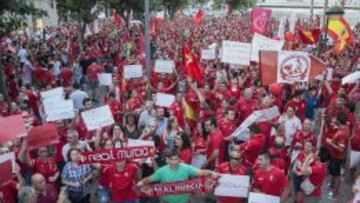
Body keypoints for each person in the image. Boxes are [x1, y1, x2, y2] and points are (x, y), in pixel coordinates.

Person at [136, 150, 218, 203]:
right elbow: (150, 179)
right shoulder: (161, 171)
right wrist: (141, 182)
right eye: (172, 159)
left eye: (176, 159)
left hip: (185, 201)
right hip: (167, 201)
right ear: (167, 160)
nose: (175, 161)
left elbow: (200, 172)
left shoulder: (185, 167)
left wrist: (210, 172)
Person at [326, 113, 350, 198]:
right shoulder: (345, 127)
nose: (335, 120)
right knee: (334, 172)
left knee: (337, 175)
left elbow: (341, 149)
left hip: (338, 157)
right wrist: (336, 127)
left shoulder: (342, 133)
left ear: (339, 121)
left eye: (336, 120)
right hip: (335, 156)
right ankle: (331, 186)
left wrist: (330, 143)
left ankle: (334, 194)